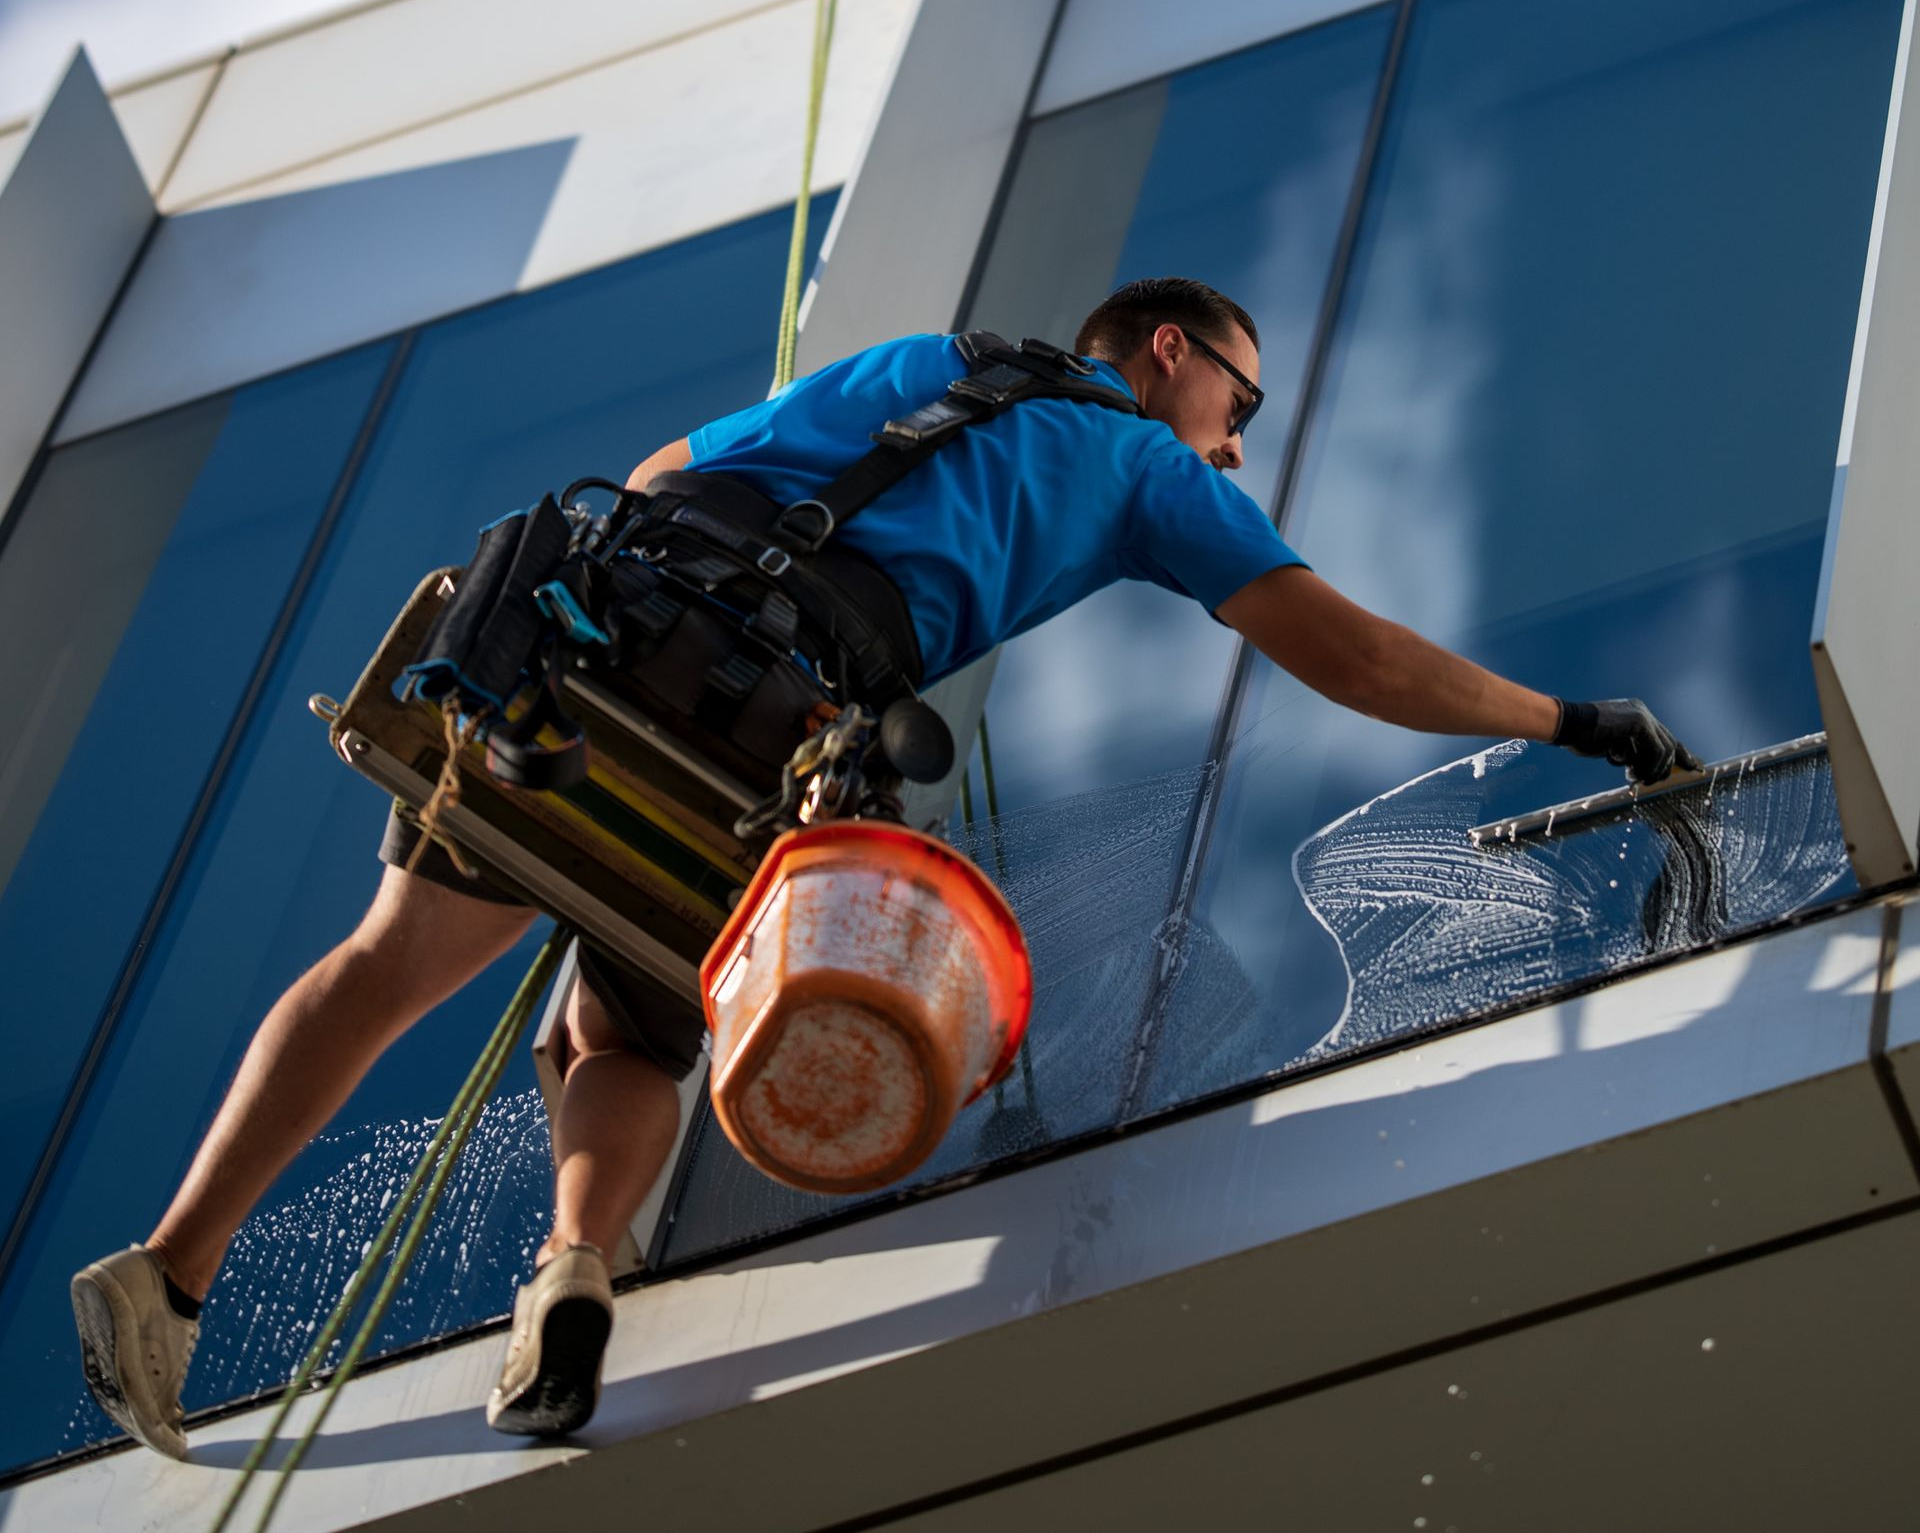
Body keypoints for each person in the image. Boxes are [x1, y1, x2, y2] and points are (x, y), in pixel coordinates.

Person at [70, 276, 1697, 1458]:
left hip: (598, 667)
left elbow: (658, 477)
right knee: (635, 1034)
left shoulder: (926, 358)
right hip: (756, 745)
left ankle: (173, 1277)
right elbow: (1349, 653)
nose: (1238, 447)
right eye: (1240, 409)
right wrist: (1571, 717)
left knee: (394, 968)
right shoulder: (1138, 469)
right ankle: (570, 1268)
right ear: (1172, 355)